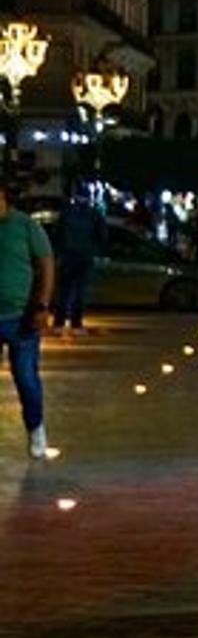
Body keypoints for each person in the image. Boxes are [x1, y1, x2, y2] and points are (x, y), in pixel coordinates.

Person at [0, 179, 56, 459]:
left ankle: (36, 429)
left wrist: (42, 305)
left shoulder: (24, 226)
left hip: (20, 316)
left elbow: (46, 264)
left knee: (25, 377)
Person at [52, 191, 104, 336]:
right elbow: (102, 235)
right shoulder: (94, 214)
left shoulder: (67, 213)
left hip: (67, 256)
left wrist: (59, 253)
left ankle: (59, 323)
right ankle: (76, 323)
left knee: (64, 291)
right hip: (85, 257)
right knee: (80, 291)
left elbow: (58, 234)